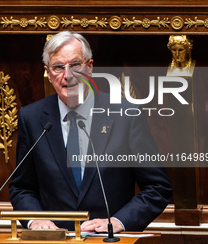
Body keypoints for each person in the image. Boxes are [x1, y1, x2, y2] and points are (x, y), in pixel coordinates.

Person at [9, 31, 172, 232]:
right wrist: (34, 220)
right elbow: (22, 188)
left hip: (109, 240)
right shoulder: (32, 118)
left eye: (75, 65)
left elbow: (157, 188)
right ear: (48, 74)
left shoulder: (126, 115)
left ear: (90, 67)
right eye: (58, 67)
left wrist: (119, 222)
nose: (67, 75)